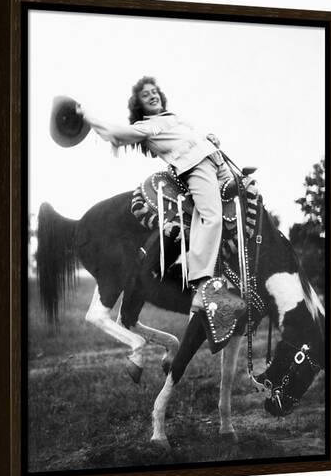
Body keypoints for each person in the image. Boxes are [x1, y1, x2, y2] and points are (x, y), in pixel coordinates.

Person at [77, 76, 232, 312]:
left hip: (217, 163)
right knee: (211, 218)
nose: (152, 95)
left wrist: (208, 141)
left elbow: (191, 138)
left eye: (154, 91)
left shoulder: (174, 119)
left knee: (242, 214)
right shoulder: (147, 127)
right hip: (196, 167)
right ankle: (201, 287)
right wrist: (86, 116)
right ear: (140, 105)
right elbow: (113, 133)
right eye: (145, 94)